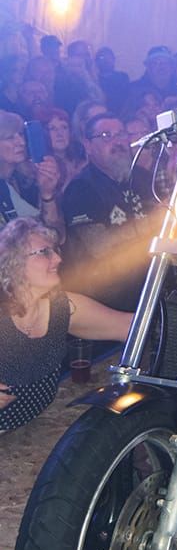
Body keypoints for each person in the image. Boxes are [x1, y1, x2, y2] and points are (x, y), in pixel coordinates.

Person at [0, 218, 132, 432]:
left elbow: (129, 327)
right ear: (14, 262)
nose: (58, 259)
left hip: (32, 430)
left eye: (55, 251)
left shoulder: (61, 308)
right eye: (45, 252)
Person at [61, 112, 161, 310]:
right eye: (106, 136)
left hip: (152, 286)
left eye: (121, 134)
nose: (117, 142)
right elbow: (100, 247)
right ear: (88, 146)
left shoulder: (142, 177)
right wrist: (154, 222)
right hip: (107, 300)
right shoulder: (81, 188)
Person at [0, 110, 64, 237]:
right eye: (10, 137)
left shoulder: (29, 179)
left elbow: (58, 235)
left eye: (20, 134)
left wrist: (47, 193)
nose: (21, 142)